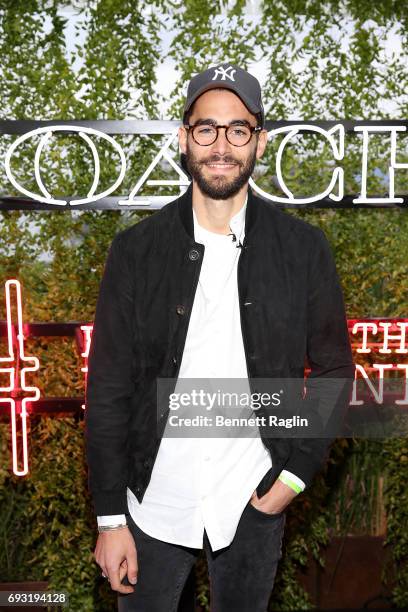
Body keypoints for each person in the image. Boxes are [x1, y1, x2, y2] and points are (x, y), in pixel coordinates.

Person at [85, 63, 355, 611]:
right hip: (150, 505)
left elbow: (335, 371)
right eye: (207, 129)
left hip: (252, 501)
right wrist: (111, 517)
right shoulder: (137, 252)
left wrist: (293, 482)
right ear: (185, 138)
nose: (221, 145)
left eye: (239, 129)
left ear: (259, 141)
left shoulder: (302, 249)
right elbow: (108, 387)